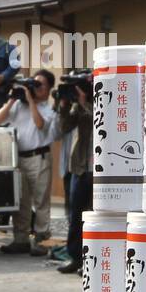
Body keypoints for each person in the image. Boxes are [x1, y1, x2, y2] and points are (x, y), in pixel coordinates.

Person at [0, 69, 58, 255]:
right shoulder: (18, 106)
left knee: (41, 202)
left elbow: (40, 125)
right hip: (18, 158)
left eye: (40, 85)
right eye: (34, 84)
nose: (35, 88)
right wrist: (13, 99)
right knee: (21, 201)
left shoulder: (48, 108)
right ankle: (20, 239)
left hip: (39, 157)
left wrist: (31, 101)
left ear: (48, 88)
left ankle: (41, 240)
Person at [53, 75, 93, 274]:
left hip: (99, 168)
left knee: (94, 217)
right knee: (75, 215)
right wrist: (64, 104)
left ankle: (92, 260)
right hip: (79, 166)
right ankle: (76, 257)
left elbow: (104, 124)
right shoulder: (78, 105)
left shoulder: (104, 102)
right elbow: (64, 127)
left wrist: (86, 103)